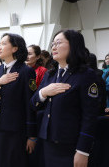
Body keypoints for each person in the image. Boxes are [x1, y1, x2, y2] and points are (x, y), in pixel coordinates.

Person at [30, 30, 99, 167]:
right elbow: (33, 104)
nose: (54, 47)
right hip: (48, 141)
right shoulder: (50, 75)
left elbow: (90, 116)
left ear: (73, 46)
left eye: (58, 43)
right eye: (53, 44)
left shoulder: (85, 75)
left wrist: (83, 150)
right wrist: (43, 92)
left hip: (71, 145)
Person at [0, 33, 37, 167]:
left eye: (4, 44)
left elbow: (30, 104)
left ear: (15, 48)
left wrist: (32, 135)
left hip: (14, 129)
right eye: (0, 44)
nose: (0, 47)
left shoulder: (25, 71)